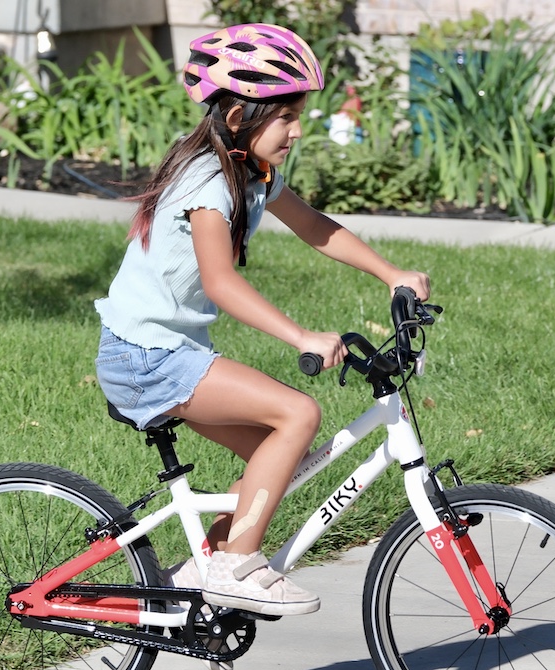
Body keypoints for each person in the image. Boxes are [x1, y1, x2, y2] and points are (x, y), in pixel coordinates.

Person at [94, 23, 430, 619]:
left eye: (299, 114)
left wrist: (391, 273)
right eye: (286, 117)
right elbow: (221, 282)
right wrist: (300, 335)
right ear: (238, 118)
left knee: (280, 461)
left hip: (169, 350)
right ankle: (235, 567)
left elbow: (315, 227)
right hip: (145, 356)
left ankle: (205, 570)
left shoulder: (251, 171)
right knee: (298, 414)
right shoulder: (206, 180)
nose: (297, 130)